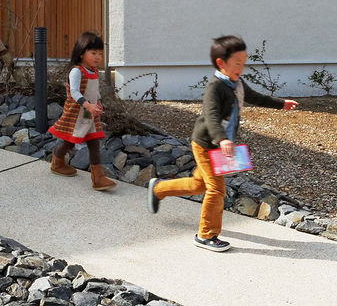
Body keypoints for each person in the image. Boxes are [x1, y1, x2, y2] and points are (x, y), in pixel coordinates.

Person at [147, 34, 298, 251]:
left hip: (219, 145)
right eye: (237, 63)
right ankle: (206, 235)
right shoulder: (214, 87)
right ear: (221, 63)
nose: (241, 68)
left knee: (199, 184)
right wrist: (223, 139)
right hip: (205, 144)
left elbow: (255, 97)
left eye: (243, 63)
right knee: (217, 190)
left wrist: (281, 104)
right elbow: (211, 116)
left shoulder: (237, 83)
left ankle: (159, 188)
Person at [48, 30, 116, 190]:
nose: (98, 57)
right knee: (70, 142)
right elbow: (74, 92)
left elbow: (94, 93)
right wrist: (88, 105)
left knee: (93, 143)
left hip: (89, 113)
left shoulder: (93, 72)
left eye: (100, 53)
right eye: (93, 53)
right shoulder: (76, 71)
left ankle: (98, 178)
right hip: (76, 114)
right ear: (81, 53)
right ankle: (57, 160)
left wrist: (98, 104)